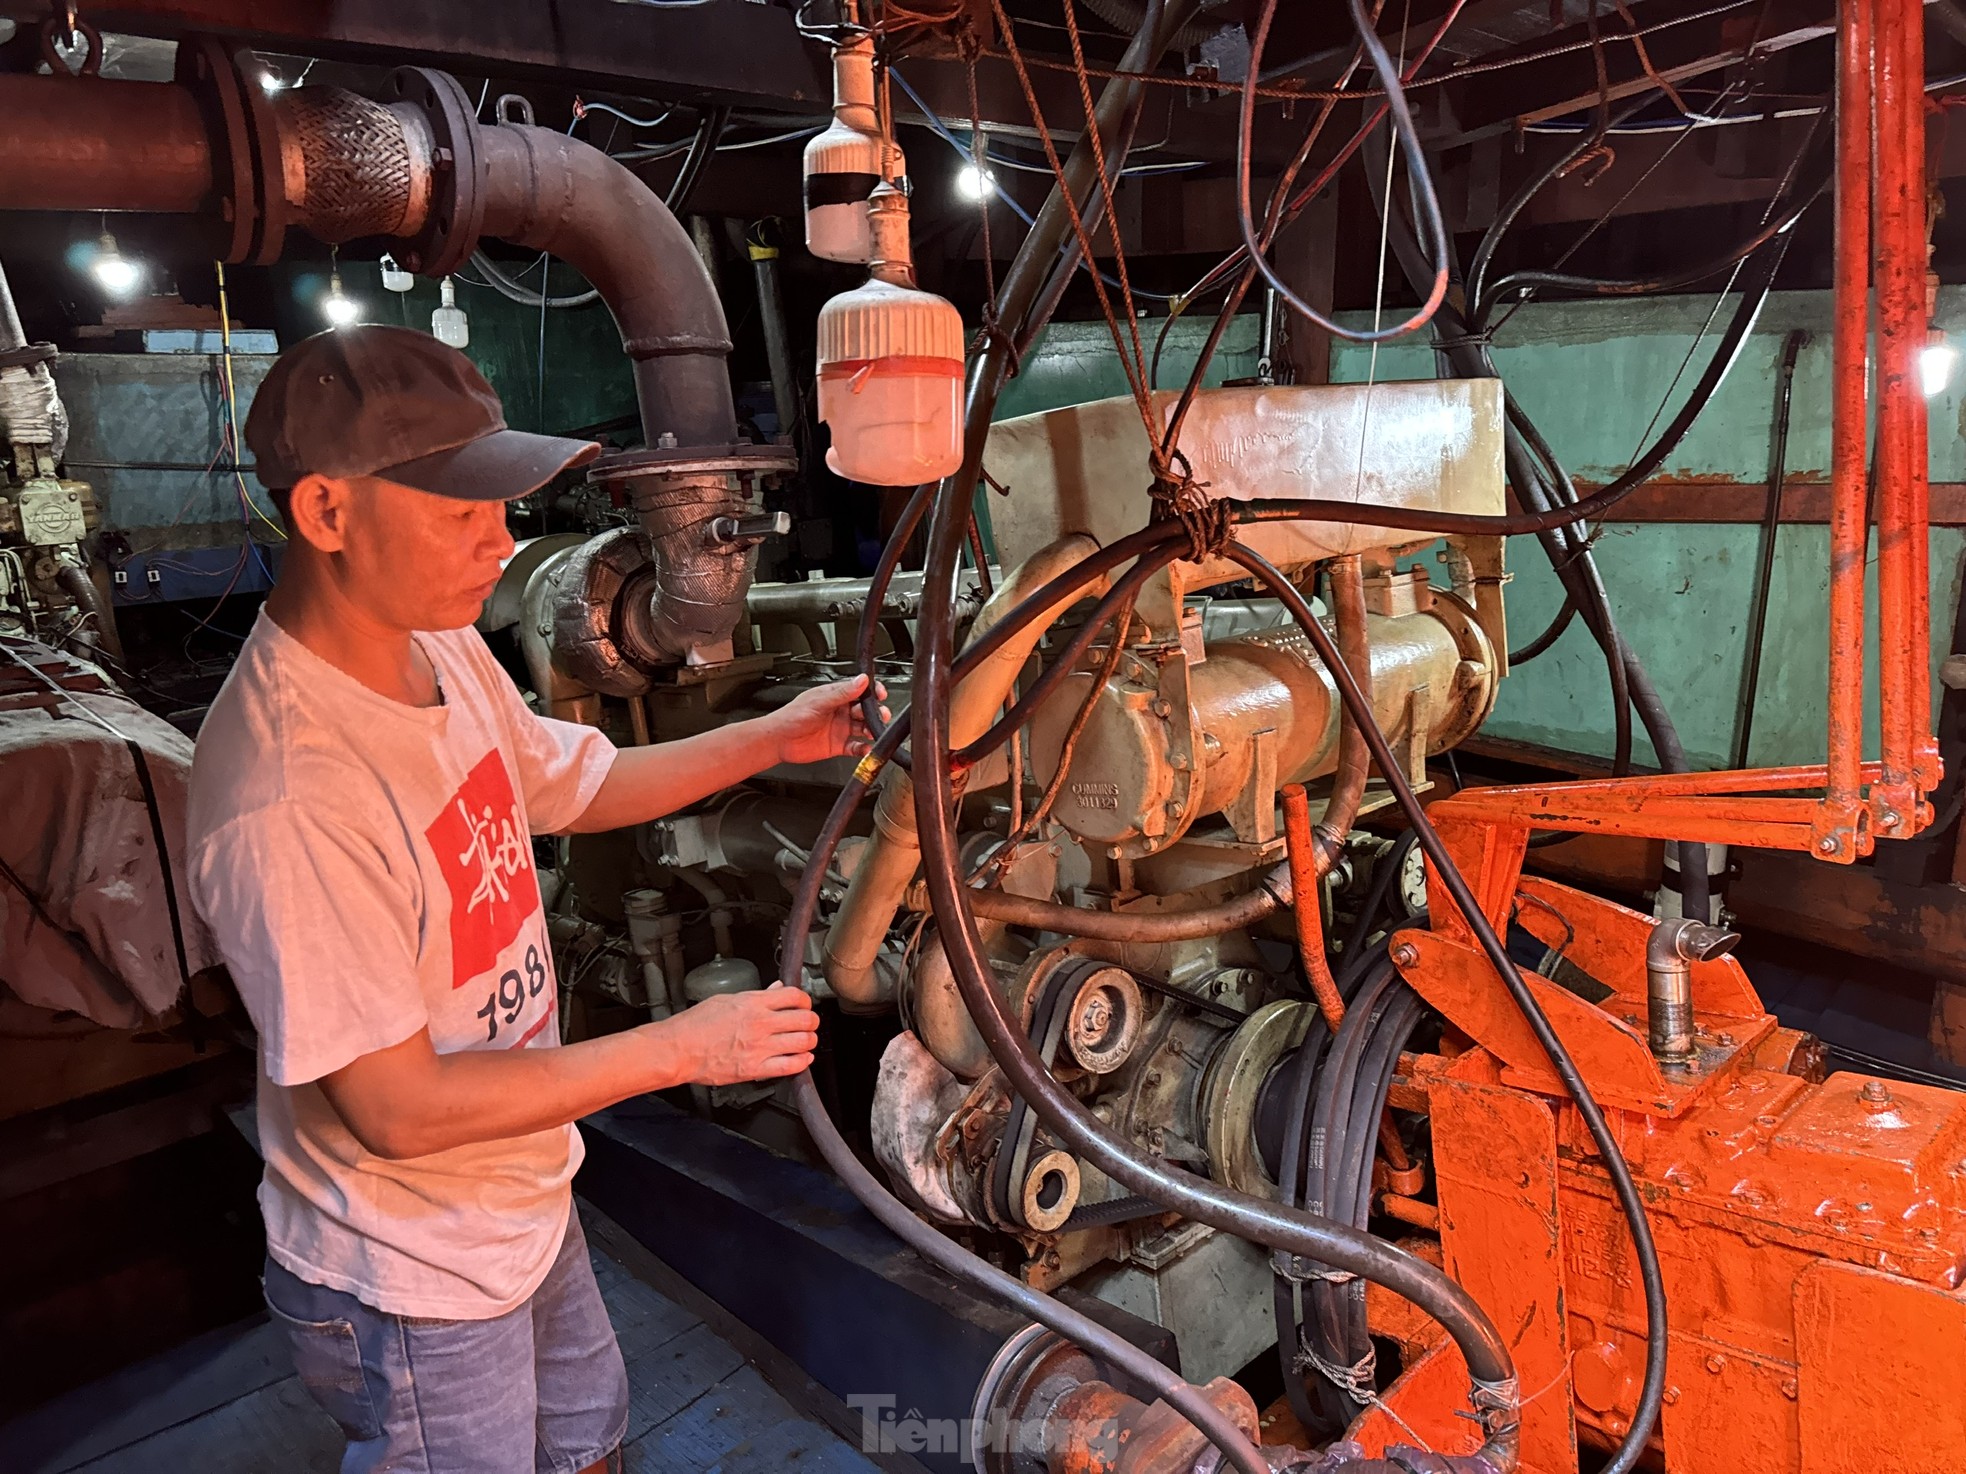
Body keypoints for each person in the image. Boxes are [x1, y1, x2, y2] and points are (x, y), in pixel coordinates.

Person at [187, 325, 876, 1474]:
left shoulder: (436, 643)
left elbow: (574, 779)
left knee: (589, 1441)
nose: (499, 543)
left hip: (517, 1196)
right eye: (460, 513)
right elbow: (397, 1110)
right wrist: (682, 1048)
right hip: (407, 1266)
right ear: (326, 513)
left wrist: (771, 736)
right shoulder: (289, 793)